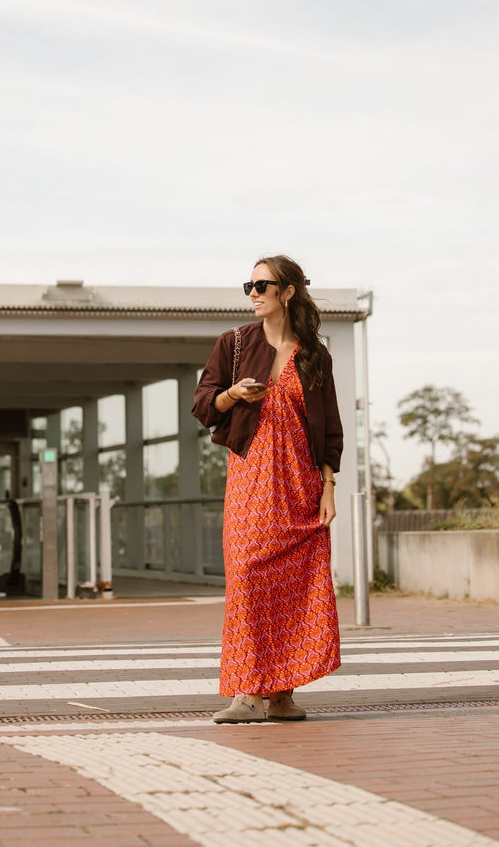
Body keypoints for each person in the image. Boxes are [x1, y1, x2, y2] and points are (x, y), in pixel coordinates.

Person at [192, 254, 343, 724]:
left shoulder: (314, 355)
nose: (253, 293)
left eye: (262, 285)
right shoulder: (234, 343)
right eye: (249, 286)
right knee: (249, 580)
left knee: (294, 586)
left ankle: (281, 694)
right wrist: (233, 394)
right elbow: (203, 405)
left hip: (300, 484)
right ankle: (246, 694)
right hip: (250, 479)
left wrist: (328, 488)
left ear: (288, 291)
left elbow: (331, 430)